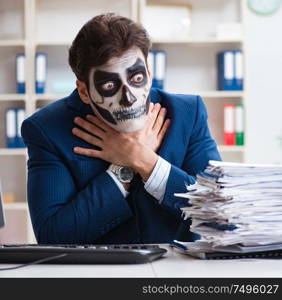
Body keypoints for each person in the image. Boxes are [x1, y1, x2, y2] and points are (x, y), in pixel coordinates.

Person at [21, 13, 221, 244]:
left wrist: (145, 161)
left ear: (149, 71)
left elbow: (220, 216)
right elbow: (53, 238)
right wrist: (122, 169)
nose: (128, 98)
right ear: (84, 91)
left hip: (177, 272)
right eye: (109, 85)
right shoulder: (47, 129)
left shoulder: (187, 114)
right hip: (96, 276)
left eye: (136, 78)